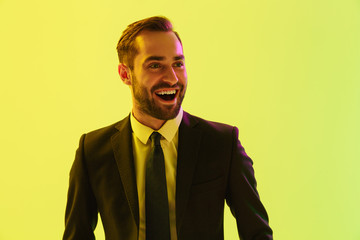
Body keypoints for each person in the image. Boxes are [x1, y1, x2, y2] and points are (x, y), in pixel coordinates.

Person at [63, 16, 273, 240]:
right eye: (155, 65)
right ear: (125, 74)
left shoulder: (223, 143)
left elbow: (257, 233)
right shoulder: (92, 151)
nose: (172, 78)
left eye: (178, 64)